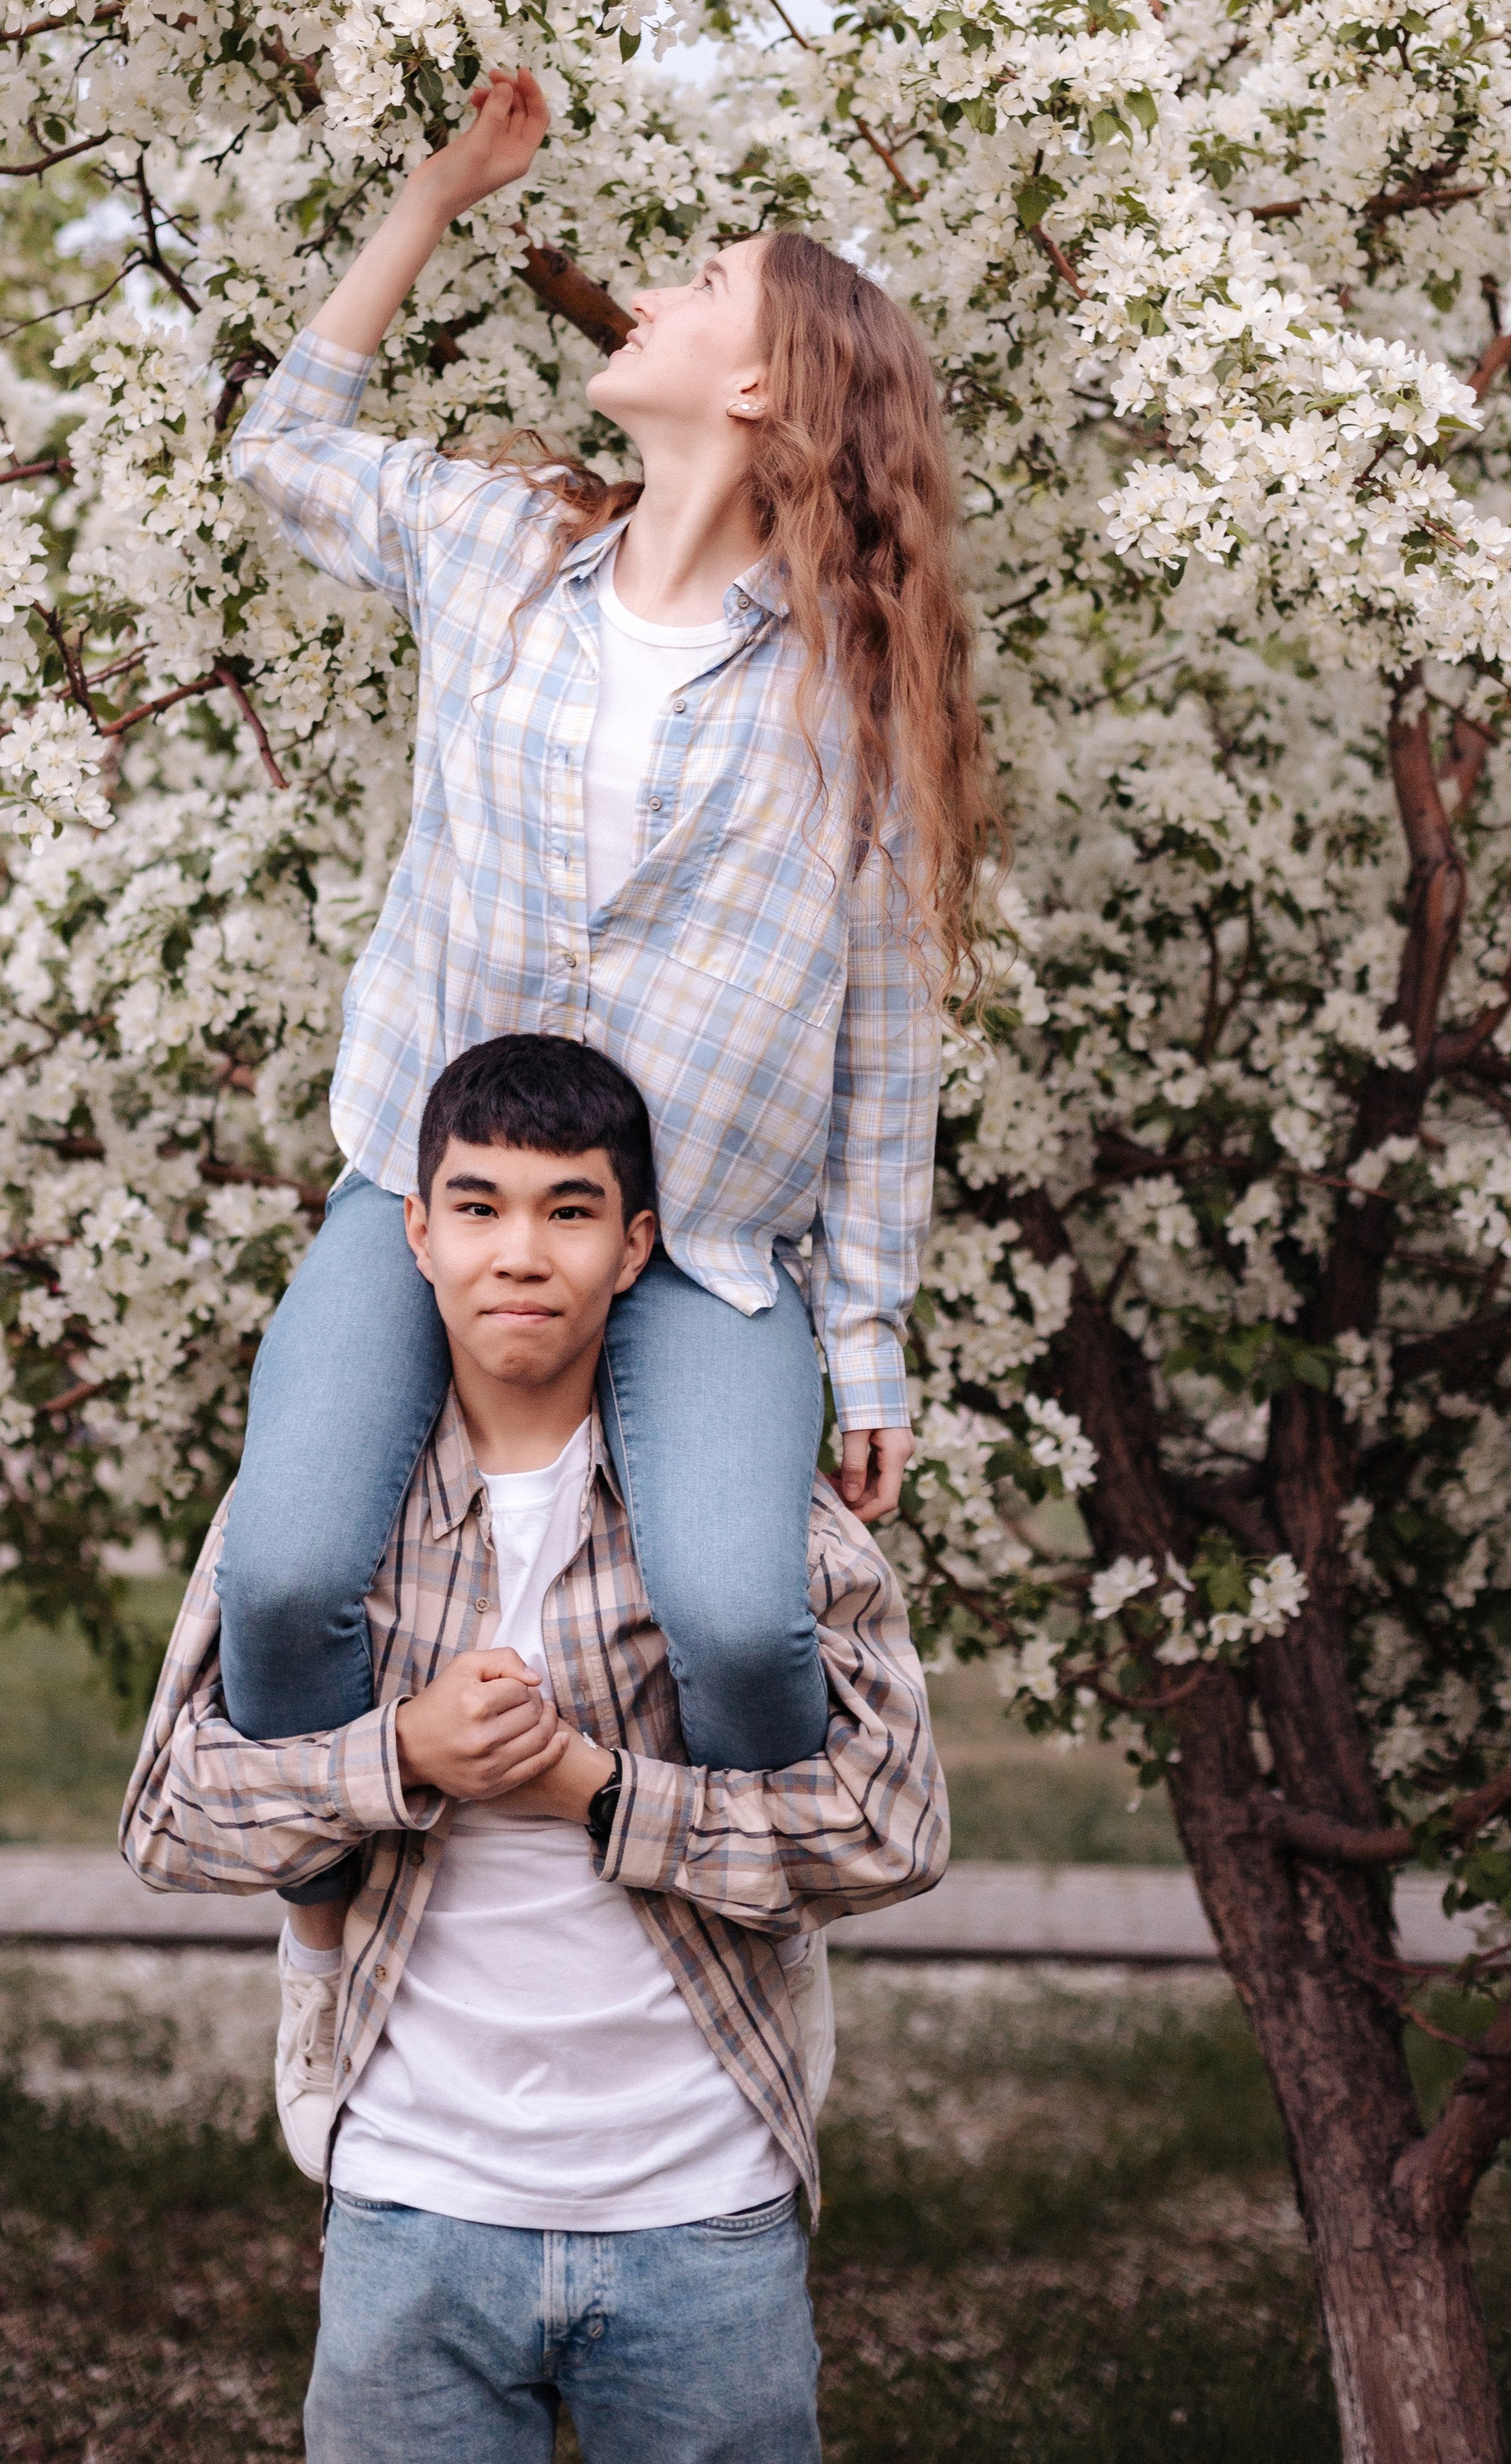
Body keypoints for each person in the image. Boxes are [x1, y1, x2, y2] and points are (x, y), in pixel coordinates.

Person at [217, 66, 993, 1919]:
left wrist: (866, 1336)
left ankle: (701, 1928)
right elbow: (283, 453)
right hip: (434, 1195)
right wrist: (430, 200)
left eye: (702, 281)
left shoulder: (846, 688)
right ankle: (349, 1903)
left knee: (738, 1623)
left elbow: (883, 1036)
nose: (645, 293)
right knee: (277, 1579)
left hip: (703, 1235)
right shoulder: (504, 550)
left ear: (759, 385)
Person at [124, 1034, 947, 2464]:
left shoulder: (745, 1514)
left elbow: (895, 1830)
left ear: (636, 1247)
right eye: (480, 1205)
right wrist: (403, 1753)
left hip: (701, 2205)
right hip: (413, 2202)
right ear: (418, 1234)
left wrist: (600, 1791)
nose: (521, 1252)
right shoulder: (319, 1521)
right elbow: (166, 1819)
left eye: (569, 1211)